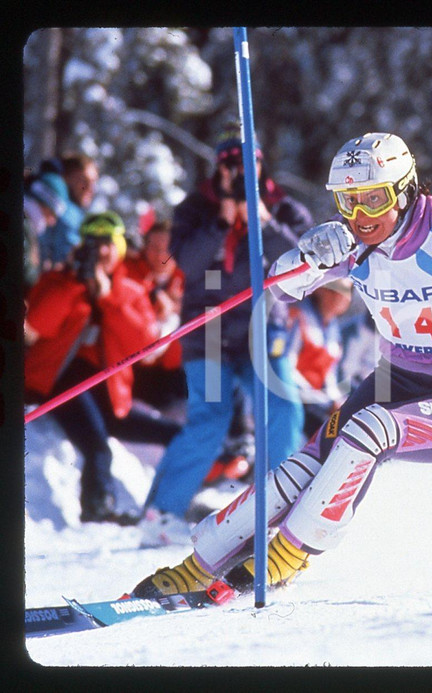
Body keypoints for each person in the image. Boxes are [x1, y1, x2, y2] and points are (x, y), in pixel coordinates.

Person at [132, 132, 432, 599]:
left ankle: (290, 552)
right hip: (397, 380)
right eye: (348, 201)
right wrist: (306, 256)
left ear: (404, 190)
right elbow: (278, 288)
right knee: (308, 460)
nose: (361, 216)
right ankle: (199, 565)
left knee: (369, 429)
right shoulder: (351, 242)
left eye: (374, 199)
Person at [139, 124, 311, 544]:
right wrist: (222, 221)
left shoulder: (283, 208)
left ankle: (282, 507)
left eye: (249, 163)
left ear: (261, 165)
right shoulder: (197, 208)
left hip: (261, 327)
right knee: (210, 417)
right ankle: (161, 513)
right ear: (217, 168)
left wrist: (263, 222)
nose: (240, 173)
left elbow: (303, 264)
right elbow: (187, 264)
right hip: (211, 330)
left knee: (283, 405)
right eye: (231, 165)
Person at [24, 212, 183, 524]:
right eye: (93, 243)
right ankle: (98, 510)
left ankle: (164, 506)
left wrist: (109, 297)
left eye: (108, 243)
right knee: (98, 448)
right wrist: (75, 283)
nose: (102, 251)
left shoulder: (131, 290)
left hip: (110, 393)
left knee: (177, 435)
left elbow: (145, 345)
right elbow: (39, 325)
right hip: (59, 381)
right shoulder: (60, 280)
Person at [286, 277, 378, 435]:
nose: (339, 296)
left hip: (316, 403)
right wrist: (326, 402)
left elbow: (329, 375)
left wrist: (338, 402)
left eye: (345, 291)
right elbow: (286, 370)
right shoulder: (298, 315)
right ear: (319, 289)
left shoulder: (333, 327)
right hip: (293, 401)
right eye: (333, 289)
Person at [123, 219, 187, 408]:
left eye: (167, 249)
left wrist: (178, 308)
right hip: (134, 367)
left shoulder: (187, 277)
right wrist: (155, 296)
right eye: (154, 247)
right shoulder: (131, 269)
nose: (160, 255)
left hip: (175, 371)